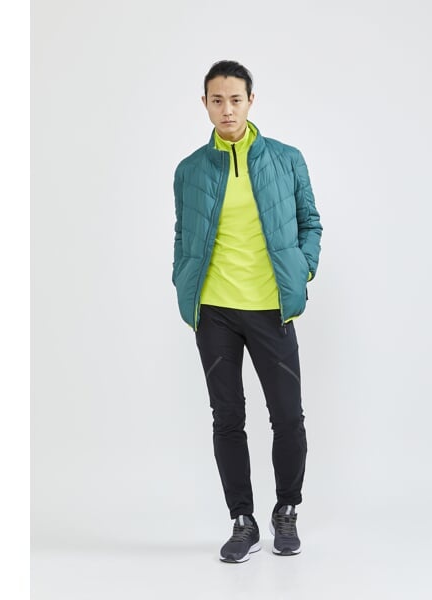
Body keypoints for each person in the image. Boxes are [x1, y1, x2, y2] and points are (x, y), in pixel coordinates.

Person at [172, 60, 322, 563]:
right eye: (217, 100)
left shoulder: (286, 159)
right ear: (205, 104)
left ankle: (286, 511)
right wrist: (182, 279)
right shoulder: (190, 170)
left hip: (270, 308)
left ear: (251, 101)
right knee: (227, 418)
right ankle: (243, 521)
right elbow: (183, 234)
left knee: (288, 417)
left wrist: (302, 269)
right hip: (215, 311)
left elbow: (310, 222)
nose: (227, 109)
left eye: (235, 99)